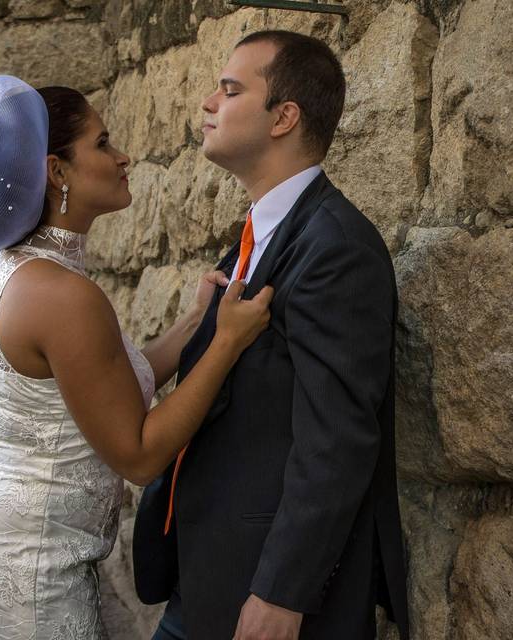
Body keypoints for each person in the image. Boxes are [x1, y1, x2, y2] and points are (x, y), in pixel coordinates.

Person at [0, 75, 272, 639]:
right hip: (19, 571)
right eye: (102, 143)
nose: (123, 157)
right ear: (56, 171)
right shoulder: (63, 295)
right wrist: (227, 344)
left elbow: (106, 384)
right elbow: (139, 455)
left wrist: (199, 319)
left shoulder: (20, 268)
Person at [133, 31, 410, 640]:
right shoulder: (256, 236)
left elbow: (336, 440)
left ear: (284, 117)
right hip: (205, 576)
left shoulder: (337, 248)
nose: (208, 102)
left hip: (260, 596)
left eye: (230, 90)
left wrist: (281, 593)